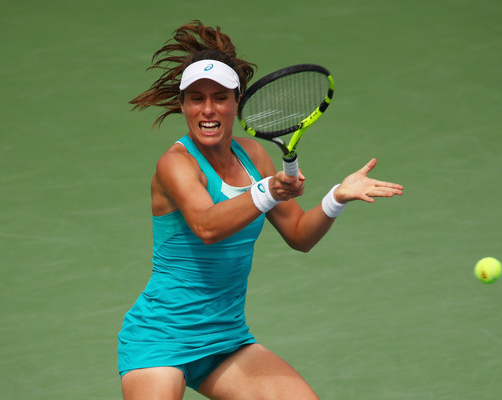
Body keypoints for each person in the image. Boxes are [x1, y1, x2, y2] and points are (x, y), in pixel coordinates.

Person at [117, 20, 404, 400]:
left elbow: (300, 235)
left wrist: (337, 197)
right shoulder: (176, 164)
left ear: (237, 102)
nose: (208, 109)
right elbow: (206, 226)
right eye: (196, 98)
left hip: (226, 340)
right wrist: (268, 190)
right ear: (183, 105)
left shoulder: (253, 155)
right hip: (160, 338)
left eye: (220, 97)